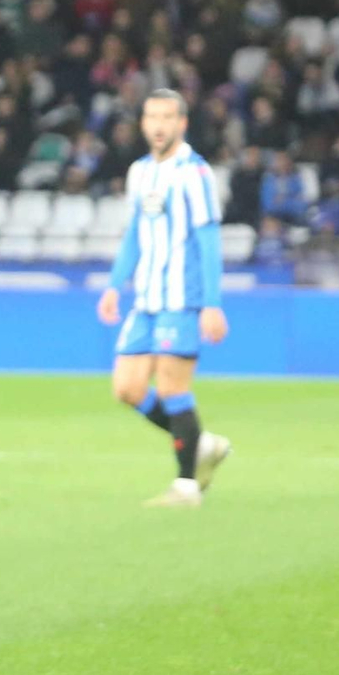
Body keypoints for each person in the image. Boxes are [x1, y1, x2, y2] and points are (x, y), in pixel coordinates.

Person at [96, 89, 231, 508]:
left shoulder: (194, 173)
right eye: (151, 116)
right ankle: (200, 441)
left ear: (182, 123)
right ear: (142, 123)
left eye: (167, 117)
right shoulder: (139, 172)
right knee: (128, 389)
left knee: (173, 388)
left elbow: (208, 239)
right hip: (146, 300)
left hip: (182, 299)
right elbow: (136, 232)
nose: (158, 125)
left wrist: (211, 302)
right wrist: (115, 285)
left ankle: (187, 487)